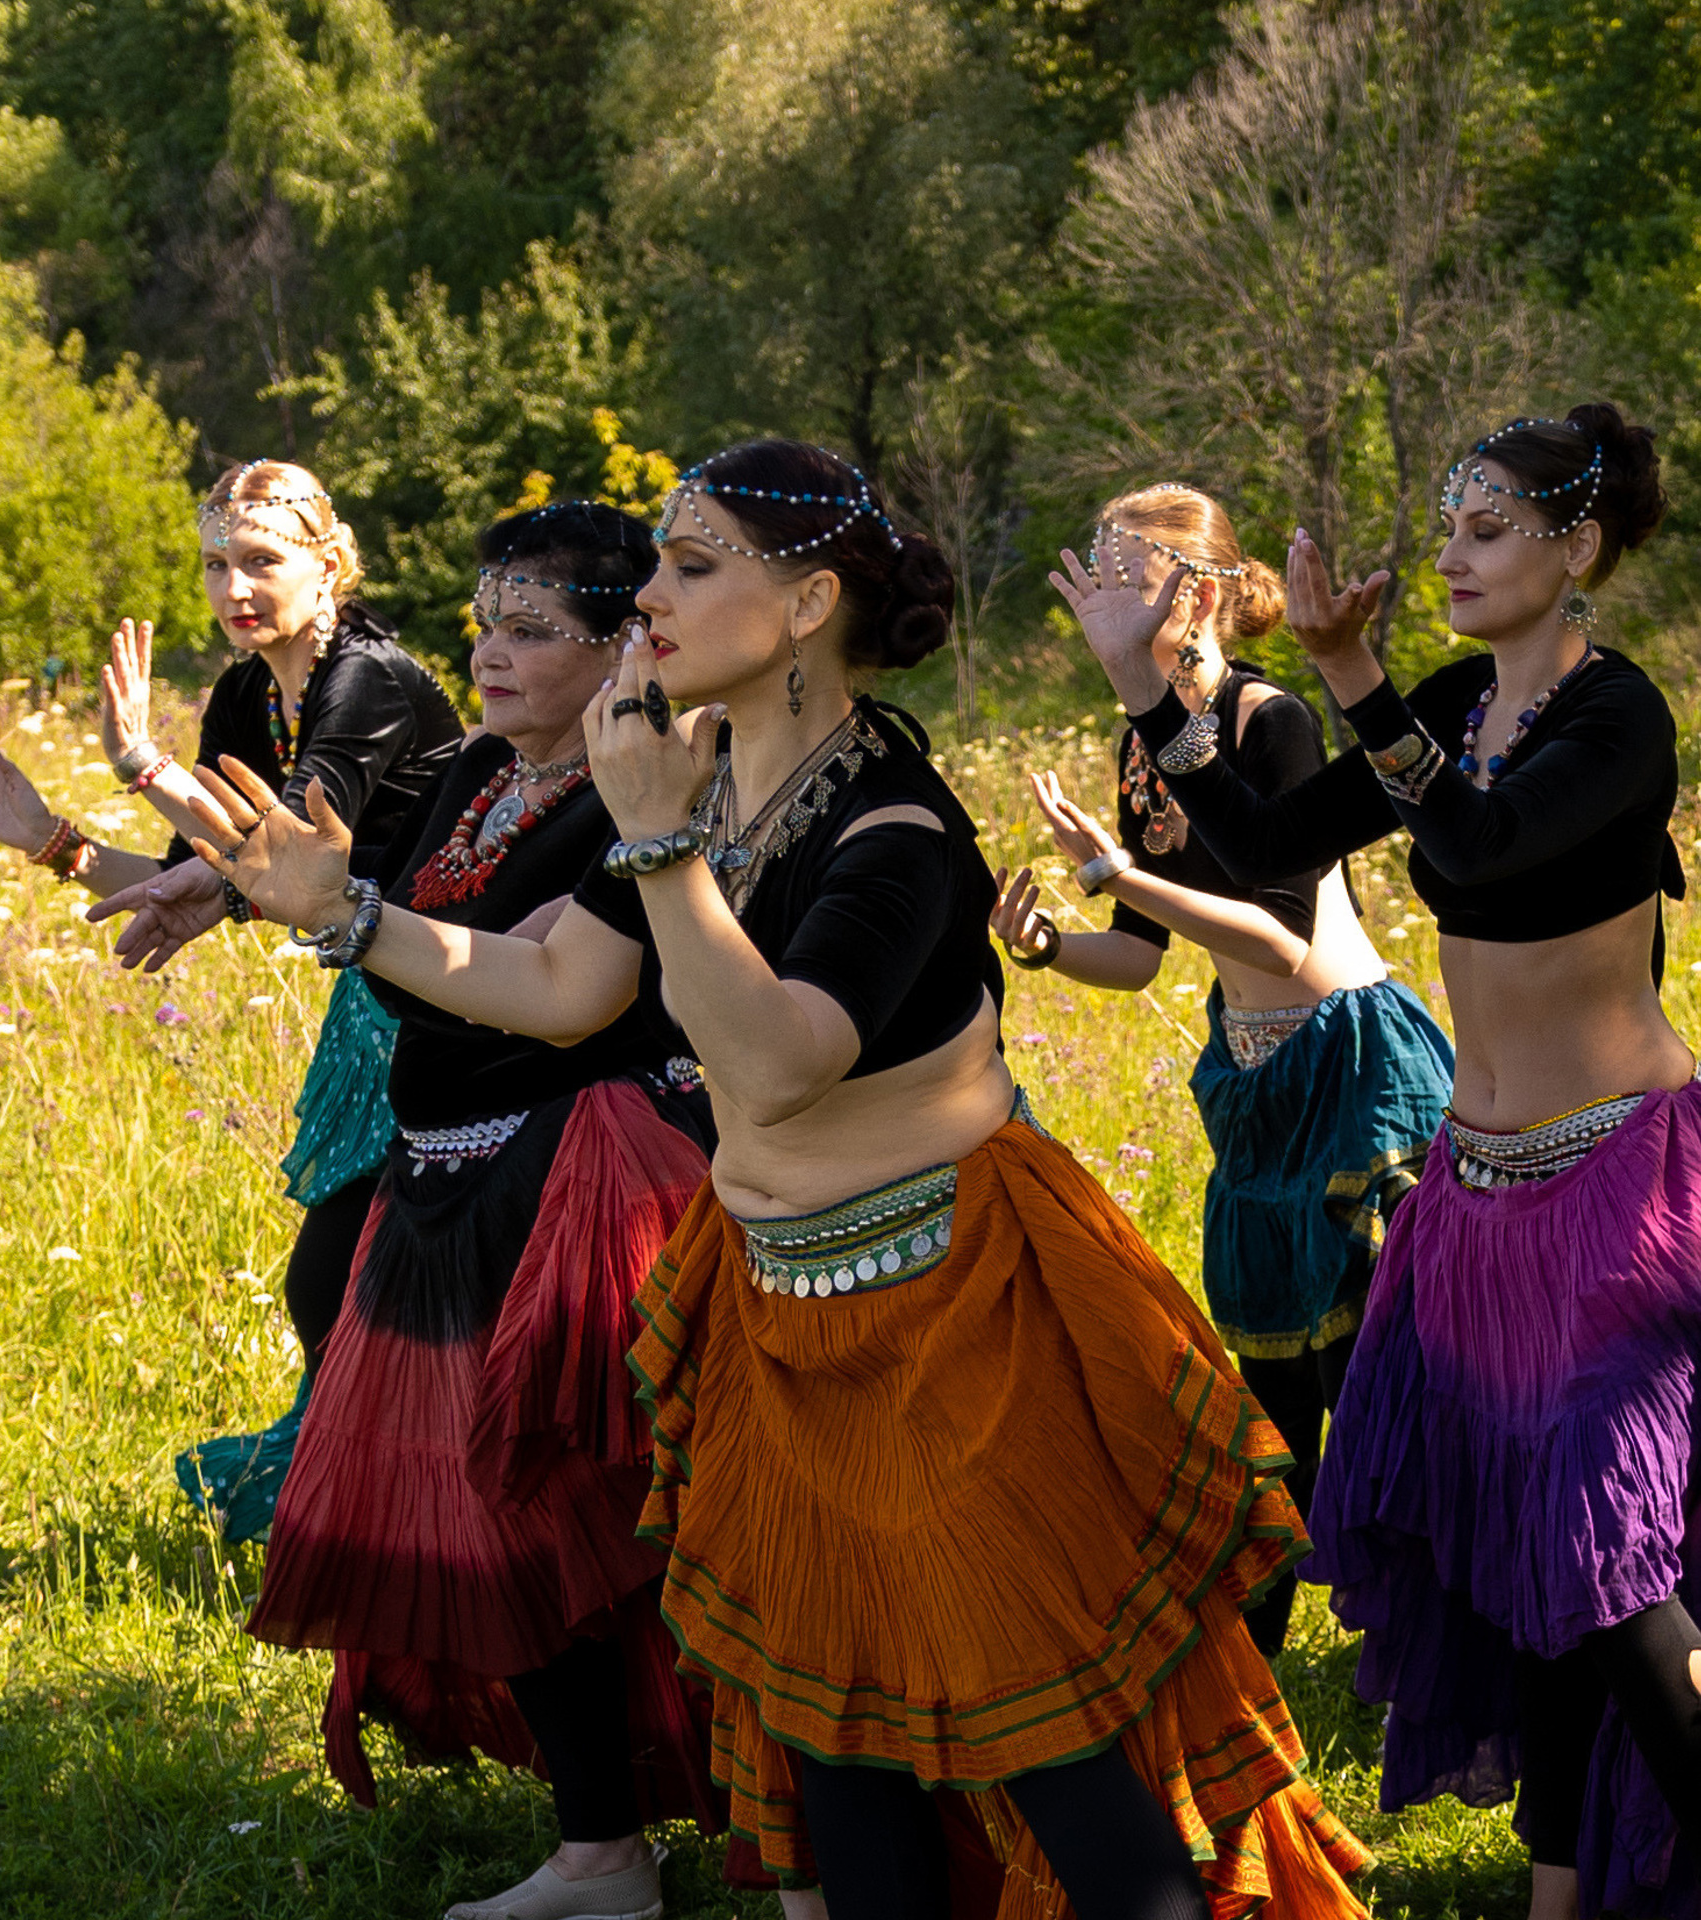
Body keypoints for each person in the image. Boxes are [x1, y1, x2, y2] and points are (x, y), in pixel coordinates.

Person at [189, 441, 1371, 1920]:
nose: (653, 600)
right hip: (773, 1306)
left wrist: (659, 842)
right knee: (835, 1746)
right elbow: (563, 988)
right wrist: (351, 914)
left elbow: (773, 1066)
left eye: (693, 568)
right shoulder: (724, 781)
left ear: (808, 603)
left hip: (951, 1317)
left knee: (1051, 1745)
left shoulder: (893, 821)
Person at [1054, 405, 1700, 1920]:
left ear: (1579, 549)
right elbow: (1268, 829)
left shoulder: (1621, 718)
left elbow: (1476, 850)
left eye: (1489, 533)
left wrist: (1351, 673)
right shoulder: (1467, 694)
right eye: (1453, 529)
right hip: (1480, 1194)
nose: (1455, 559)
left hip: (1620, 1185)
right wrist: (1143, 692)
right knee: (1526, 1562)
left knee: (1601, 1553)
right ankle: (1558, 1892)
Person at [192, 501, 731, 1920]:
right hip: (447, 1178)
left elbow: (571, 994)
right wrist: (167, 871)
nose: (488, 652)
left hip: (588, 1178)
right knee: (503, 1519)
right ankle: (601, 1854)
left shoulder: (654, 784)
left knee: (629, 1520)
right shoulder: (481, 765)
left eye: (533, 630)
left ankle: (786, 1824)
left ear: (627, 643)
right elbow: (330, 885)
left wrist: (346, 920)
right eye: (485, 621)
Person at [0, 458, 462, 1541]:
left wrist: (139, 761)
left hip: (476, 999)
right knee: (340, 1288)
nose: (236, 587)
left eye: (264, 561)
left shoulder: (371, 681)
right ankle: (365, 1516)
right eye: (217, 563)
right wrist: (51, 840)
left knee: (361, 1286)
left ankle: (409, 1518)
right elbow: (201, 881)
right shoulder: (241, 694)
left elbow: (277, 855)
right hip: (375, 1012)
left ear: (330, 564)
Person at [993, 482, 1453, 1655]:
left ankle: (1441, 1643)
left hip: (1350, 1064)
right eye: (1089, 570)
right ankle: (1250, 1661)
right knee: (1272, 1394)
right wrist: (1051, 944)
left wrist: (1121, 878)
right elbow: (1141, 962)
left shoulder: (1270, 719)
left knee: (1373, 1379)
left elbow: (1286, 940)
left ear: (1194, 591)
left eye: (1123, 574)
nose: (1096, 595)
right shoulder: (1139, 745)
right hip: (1249, 1082)